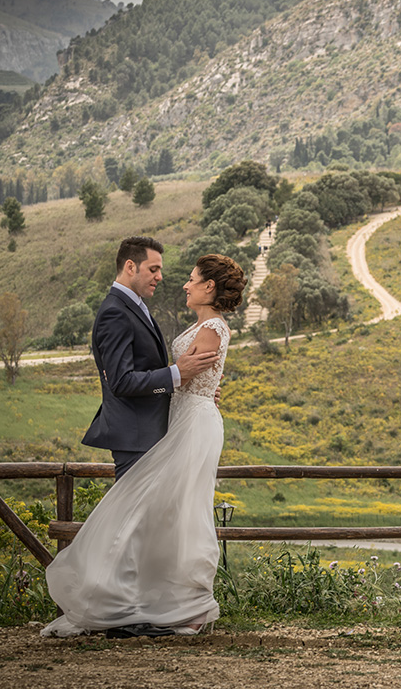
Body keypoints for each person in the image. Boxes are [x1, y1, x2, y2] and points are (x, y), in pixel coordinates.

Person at [41, 253, 247, 638]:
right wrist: (200, 388)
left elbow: (185, 377)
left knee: (184, 511)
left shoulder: (212, 328)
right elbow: (185, 376)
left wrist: (202, 392)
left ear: (209, 287)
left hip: (192, 423)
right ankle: (152, 602)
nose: (183, 284)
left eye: (191, 279)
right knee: (165, 513)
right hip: (182, 417)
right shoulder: (205, 325)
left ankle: (190, 605)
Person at [81, 236, 220, 480]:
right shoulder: (115, 312)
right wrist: (177, 373)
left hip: (151, 436)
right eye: (153, 269)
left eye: (160, 270)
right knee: (133, 518)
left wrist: (196, 390)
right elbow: (122, 382)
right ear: (130, 267)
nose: (160, 277)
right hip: (136, 440)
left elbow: (144, 370)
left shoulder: (134, 306)